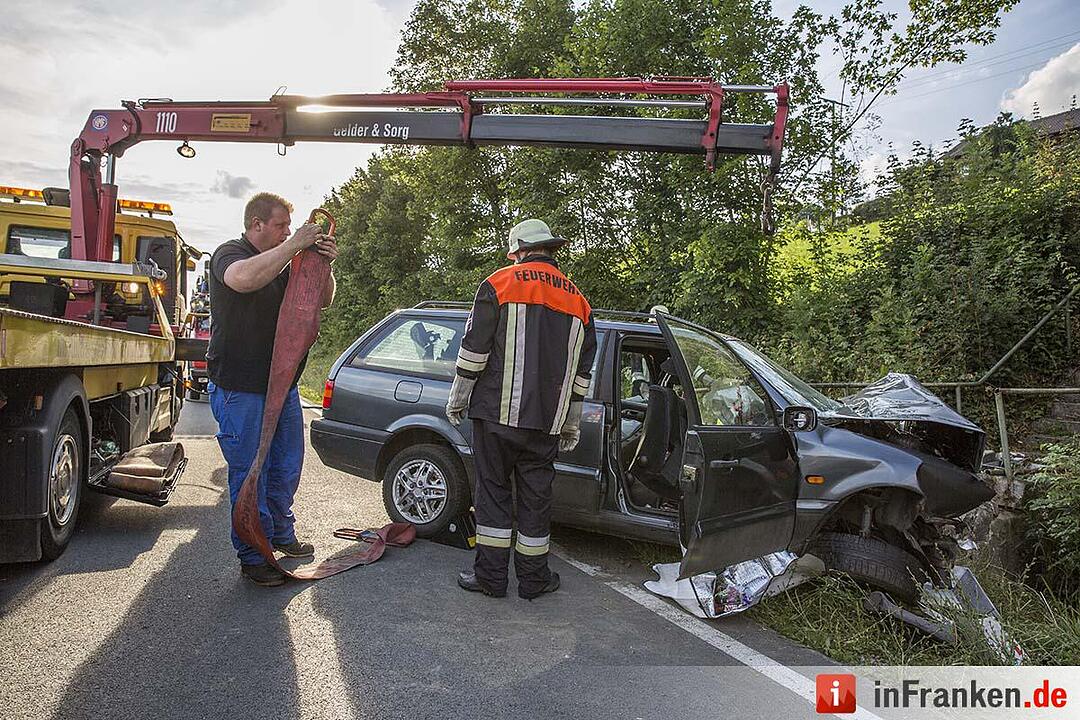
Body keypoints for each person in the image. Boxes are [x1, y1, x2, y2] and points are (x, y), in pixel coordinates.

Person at [447, 218, 597, 599]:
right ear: (549, 250)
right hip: (546, 424)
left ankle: (490, 579)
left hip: (496, 416)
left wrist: (458, 398)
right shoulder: (579, 301)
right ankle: (534, 581)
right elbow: (581, 375)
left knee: (493, 495)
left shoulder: (499, 283)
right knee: (535, 500)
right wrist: (571, 424)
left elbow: (474, 351)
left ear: (517, 251)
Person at [207, 192, 338, 586]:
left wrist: (325, 264)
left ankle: (280, 532)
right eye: (280, 226)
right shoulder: (230, 253)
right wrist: (296, 244)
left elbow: (324, 300)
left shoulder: (287, 259)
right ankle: (252, 554)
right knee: (251, 472)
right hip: (241, 387)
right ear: (256, 224)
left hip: (283, 386)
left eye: (288, 227)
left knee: (285, 466)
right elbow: (243, 280)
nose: (286, 233)